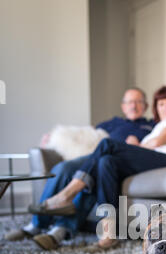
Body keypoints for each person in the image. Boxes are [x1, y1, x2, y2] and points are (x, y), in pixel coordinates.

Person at [30, 86, 166, 252]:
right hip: (155, 160)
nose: (165, 108)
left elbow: (158, 142)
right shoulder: (157, 125)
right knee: (105, 162)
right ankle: (108, 234)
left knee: (107, 145)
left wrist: (138, 146)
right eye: (161, 104)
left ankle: (67, 195)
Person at [5, 87, 155, 245]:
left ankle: (60, 230)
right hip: (95, 156)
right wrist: (53, 139)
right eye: (130, 102)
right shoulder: (112, 123)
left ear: (145, 106)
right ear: (123, 106)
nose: (134, 106)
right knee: (62, 169)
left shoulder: (150, 126)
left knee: (95, 176)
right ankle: (36, 225)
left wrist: (138, 145)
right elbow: (85, 135)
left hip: (115, 163)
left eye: (138, 102)